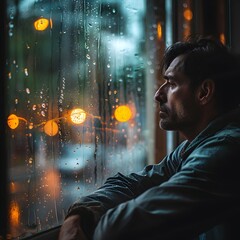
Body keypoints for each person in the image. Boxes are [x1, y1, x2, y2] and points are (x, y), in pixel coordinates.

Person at [58, 36, 240, 240]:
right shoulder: (194, 147)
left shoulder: (226, 150)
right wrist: (80, 214)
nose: (158, 94)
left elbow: (115, 230)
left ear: (204, 92)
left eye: (171, 83)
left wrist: (85, 222)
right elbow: (130, 184)